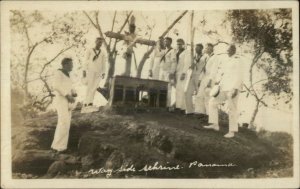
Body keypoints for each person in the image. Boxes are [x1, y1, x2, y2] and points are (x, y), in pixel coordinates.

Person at [204, 44, 243, 138]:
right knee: (212, 102)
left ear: (234, 50)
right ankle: (214, 125)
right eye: (227, 50)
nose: (227, 51)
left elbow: (240, 76)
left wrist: (235, 89)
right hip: (223, 87)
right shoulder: (226, 60)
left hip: (232, 88)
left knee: (232, 109)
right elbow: (222, 73)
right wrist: (218, 82)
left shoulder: (238, 60)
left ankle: (232, 131)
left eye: (229, 50)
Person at [51, 58, 76, 154]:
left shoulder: (68, 75)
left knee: (66, 124)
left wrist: (73, 92)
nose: (72, 66)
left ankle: (61, 146)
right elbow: (56, 86)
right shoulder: (58, 73)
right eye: (71, 64)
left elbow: (70, 86)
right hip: (61, 100)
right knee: (63, 122)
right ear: (65, 65)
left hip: (68, 101)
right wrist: (67, 95)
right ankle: (58, 147)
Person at [82, 37, 107, 113]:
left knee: (94, 87)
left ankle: (90, 102)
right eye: (99, 42)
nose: (100, 44)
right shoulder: (89, 50)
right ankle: (86, 103)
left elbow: (104, 63)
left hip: (98, 72)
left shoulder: (102, 52)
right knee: (89, 87)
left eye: (101, 43)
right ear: (95, 42)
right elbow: (85, 60)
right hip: (90, 71)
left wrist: (103, 72)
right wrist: (84, 70)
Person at [194, 43, 218, 118]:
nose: (205, 49)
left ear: (211, 49)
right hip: (204, 77)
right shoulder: (206, 57)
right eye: (206, 48)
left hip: (210, 78)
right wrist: (200, 79)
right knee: (200, 95)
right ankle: (199, 112)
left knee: (208, 96)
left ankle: (209, 115)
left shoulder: (215, 57)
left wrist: (210, 81)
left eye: (207, 48)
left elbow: (214, 70)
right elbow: (203, 69)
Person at [184, 43, 206, 115]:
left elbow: (205, 68)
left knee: (199, 94)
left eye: (198, 48)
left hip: (199, 77)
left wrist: (201, 78)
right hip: (192, 75)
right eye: (196, 48)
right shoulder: (193, 57)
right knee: (187, 92)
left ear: (201, 49)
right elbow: (190, 66)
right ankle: (189, 111)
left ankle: (200, 112)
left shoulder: (204, 57)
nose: (196, 49)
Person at [172, 38, 190, 112]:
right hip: (176, 72)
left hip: (182, 72)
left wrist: (184, 73)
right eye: (177, 44)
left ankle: (180, 108)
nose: (178, 45)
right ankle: (180, 106)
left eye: (180, 44)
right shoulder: (176, 52)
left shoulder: (186, 52)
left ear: (183, 44)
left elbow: (187, 63)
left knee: (181, 89)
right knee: (177, 90)